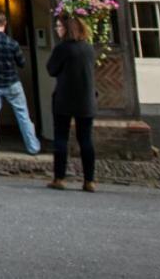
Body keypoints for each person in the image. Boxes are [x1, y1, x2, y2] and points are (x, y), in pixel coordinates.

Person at [46, 12, 97, 192]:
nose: (57, 30)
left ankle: (59, 178)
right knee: (86, 140)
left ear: (67, 29)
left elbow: (51, 69)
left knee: (61, 138)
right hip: (86, 99)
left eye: (59, 27)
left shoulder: (62, 49)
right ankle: (89, 180)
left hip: (65, 98)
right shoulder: (89, 48)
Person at [0, 12, 41, 155]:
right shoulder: (12, 43)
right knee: (22, 114)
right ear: (5, 23)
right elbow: (21, 63)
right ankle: (32, 146)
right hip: (12, 81)